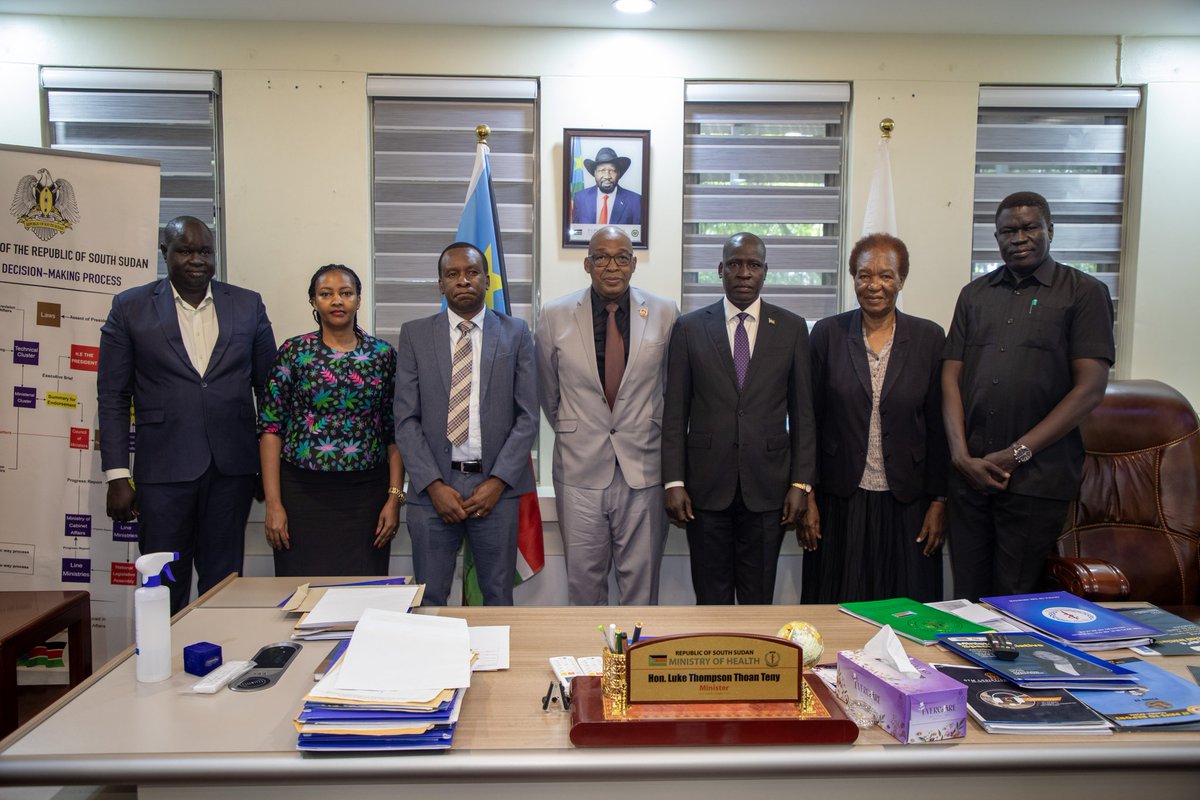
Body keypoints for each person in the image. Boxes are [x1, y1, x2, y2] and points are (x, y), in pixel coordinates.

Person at [98, 216, 276, 613]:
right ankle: (162, 668)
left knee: (224, 582)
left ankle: (217, 665)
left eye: (205, 251)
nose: (196, 259)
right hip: (162, 471)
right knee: (163, 584)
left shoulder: (248, 304)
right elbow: (112, 395)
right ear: (165, 253)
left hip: (232, 469)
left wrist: (269, 468)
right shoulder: (130, 307)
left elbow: (270, 391)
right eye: (185, 250)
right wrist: (116, 475)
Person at [943, 191, 1114, 600]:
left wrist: (1016, 453)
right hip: (970, 478)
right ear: (996, 237)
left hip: (1036, 480)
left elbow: (1090, 388)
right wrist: (960, 456)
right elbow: (950, 379)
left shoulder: (1083, 292)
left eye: (1029, 227)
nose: (1019, 238)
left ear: (1050, 230)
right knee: (966, 598)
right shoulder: (974, 295)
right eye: (1008, 231)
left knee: (1016, 598)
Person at [662, 232, 816, 604]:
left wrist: (801, 484)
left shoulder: (793, 328)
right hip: (705, 488)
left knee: (758, 596)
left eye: (753, 265)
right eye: (735, 264)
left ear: (765, 272)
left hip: (768, 490)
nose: (744, 272)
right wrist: (673, 482)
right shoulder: (689, 327)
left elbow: (804, 413)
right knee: (710, 597)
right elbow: (674, 412)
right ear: (720, 270)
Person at [799, 234, 948, 603]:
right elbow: (809, 420)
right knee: (837, 605)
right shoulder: (827, 334)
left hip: (908, 501)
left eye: (886, 275)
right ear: (853, 279)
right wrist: (809, 495)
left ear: (902, 280)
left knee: (905, 611)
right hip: (840, 499)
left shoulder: (929, 338)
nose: (874, 285)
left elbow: (939, 426)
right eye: (864, 275)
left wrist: (939, 502)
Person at [536, 226, 678, 605]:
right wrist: (578, 430)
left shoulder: (664, 313)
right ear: (587, 264)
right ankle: (589, 664)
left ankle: (634, 663)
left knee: (642, 589)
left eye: (621, 257)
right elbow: (549, 394)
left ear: (633, 264)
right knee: (584, 587)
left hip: (644, 471)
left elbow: (671, 390)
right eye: (601, 257)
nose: (611, 266)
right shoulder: (554, 315)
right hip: (579, 470)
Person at [394, 242, 538, 605]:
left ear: (486, 280)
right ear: (440, 285)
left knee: (497, 596)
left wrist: (498, 481)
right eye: (452, 274)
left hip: (497, 490)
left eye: (472, 273)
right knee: (429, 598)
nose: (463, 280)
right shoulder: (415, 334)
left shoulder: (516, 333)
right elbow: (406, 419)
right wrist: (433, 485)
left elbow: (527, 417)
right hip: (433, 492)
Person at [257, 265, 404, 577]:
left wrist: (395, 498)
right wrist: (273, 504)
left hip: (366, 497)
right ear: (313, 301)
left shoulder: (382, 355)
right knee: (300, 588)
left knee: (361, 588)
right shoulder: (294, 353)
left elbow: (395, 432)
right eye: (326, 294)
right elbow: (270, 429)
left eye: (346, 293)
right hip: (300, 493)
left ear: (359, 300)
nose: (337, 300)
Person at [570, 147, 642, 226]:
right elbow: (576, 233)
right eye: (602, 170)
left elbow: (637, 235)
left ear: (619, 174)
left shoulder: (635, 201)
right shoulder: (580, 198)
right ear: (595, 173)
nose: (607, 176)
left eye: (612, 171)